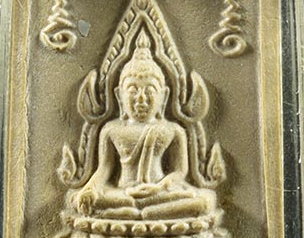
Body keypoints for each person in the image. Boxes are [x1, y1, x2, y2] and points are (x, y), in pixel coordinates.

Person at [74, 30, 215, 220]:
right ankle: (142, 213)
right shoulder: (111, 129)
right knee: (83, 199)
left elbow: (180, 172)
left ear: (164, 95)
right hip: (123, 193)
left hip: (159, 194)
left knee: (203, 202)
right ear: (119, 95)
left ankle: (133, 214)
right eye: (133, 90)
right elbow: (104, 169)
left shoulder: (173, 130)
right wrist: (90, 189)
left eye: (150, 90)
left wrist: (158, 187)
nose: (141, 98)